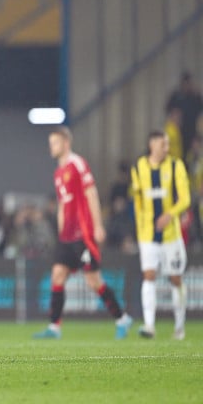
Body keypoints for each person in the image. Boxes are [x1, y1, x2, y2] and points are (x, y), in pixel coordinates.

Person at [33, 126, 133, 340]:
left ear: (66, 143)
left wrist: (97, 225)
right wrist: (61, 230)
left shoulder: (77, 164)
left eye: (55, 143)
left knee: (93, 280)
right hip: (66, 237)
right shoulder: (58, 172)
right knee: (57, 275)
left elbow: (91, 193)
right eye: (51, 143)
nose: (52, 147)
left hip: (83, 234)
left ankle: (122, 318)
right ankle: (54, 327)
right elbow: (62, 203)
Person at [130, 131, 190, 340]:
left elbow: (185, 199)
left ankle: (179, 328)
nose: (167, 148)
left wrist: (169, 215)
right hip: (147, 234)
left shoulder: (176, 165)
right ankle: (149, 325)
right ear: (152, 145)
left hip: (171, 234)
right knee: (149, 275)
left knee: (175, 278)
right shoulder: (139, 167)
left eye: (167, 144)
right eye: (163, 144)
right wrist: (139, 229)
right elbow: (137, 200)